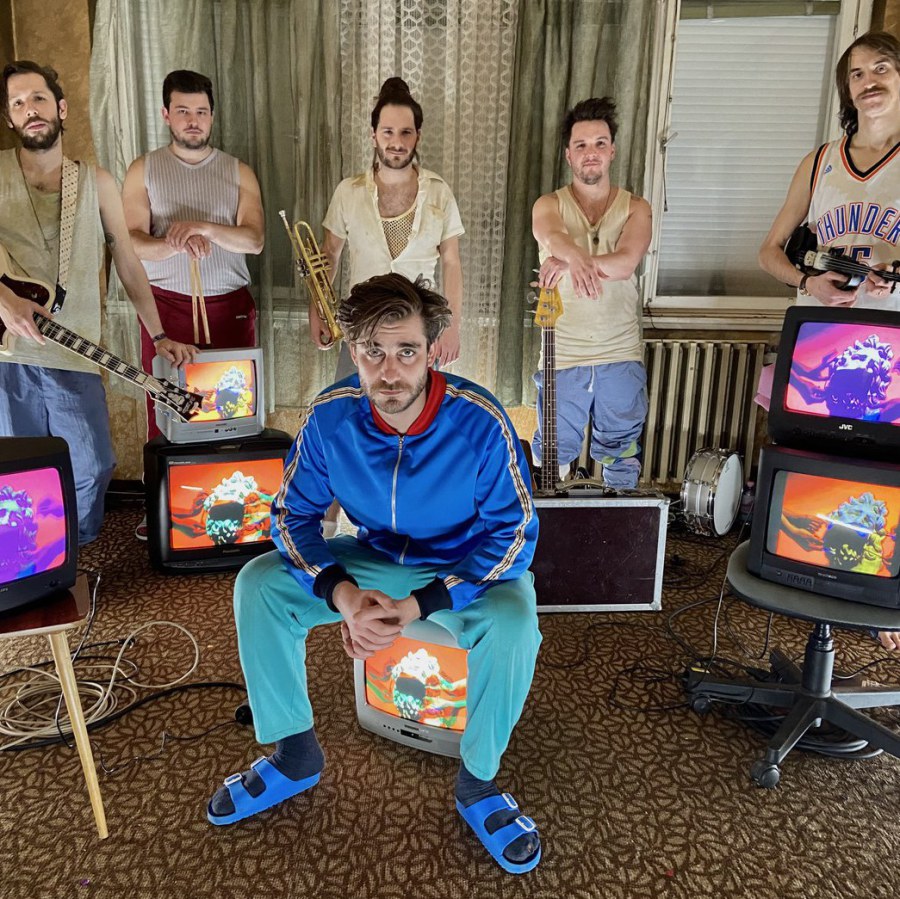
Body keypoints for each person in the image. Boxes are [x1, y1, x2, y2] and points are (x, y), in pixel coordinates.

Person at [207, 273, 543, 875]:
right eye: (373, 352)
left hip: (464, 566)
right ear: (353, 351)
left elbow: (514, 534)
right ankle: (295, 754)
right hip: (374, 557)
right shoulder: (330, 417)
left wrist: (420, 605)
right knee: (258, 584)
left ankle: (478, 783)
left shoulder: (481, 422)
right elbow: (290, 517)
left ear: (432, 350)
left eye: (406, 351)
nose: (390, 373)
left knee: (516, 623)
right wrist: (343, 595)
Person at [0, 61, 195, 545]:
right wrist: (5, 300)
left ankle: (72, 550)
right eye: (18, 103)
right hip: (8, 355)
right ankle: (34, 561)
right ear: (10, 118)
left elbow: (127, 262)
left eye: (39, 98)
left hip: (75, 351)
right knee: (20, 476)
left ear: (61, 108)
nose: (30, 110)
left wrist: (159, 334)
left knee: (92, 466)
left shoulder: (97, 183)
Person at [758, 31, 900, 652]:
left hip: (891, 345)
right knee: (814, 458)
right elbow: (769, 252)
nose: (869, 81)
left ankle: (881, 594)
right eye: (857, 73)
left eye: (882, 68)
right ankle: (804, 575)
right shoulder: (820, 162)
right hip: (822, 338)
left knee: (885, 467)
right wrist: (806, 279)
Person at [122, 69, 265, 443]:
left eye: (201, 112)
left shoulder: (239, 171)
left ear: (212, 116)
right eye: (183, 111)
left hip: (229, 307)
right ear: (166, 114)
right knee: (168, 412)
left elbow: (254, 240)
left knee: (234, 409)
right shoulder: (143, 170)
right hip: (165, 307)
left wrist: (203, 228)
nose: (193, 121)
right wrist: (176, 242)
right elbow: (129, 242)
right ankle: (166, 480)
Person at [531, 97, 652, 489]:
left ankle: (621, 522)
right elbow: (551, 235)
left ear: (612, 150)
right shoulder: (548, 204)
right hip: (563, 354)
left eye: (600, 143)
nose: (591, 152)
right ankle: (550, 522)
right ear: (569, 154)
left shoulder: (637, 208)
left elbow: (626, 262)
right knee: (553, 454)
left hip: (620, 352)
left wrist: (569, 262)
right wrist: (576, 256)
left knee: (621, 450)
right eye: (581, 145)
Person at [319, 77, 464, 376]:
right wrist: (316, 312)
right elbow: (329, 255)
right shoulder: (348, 192)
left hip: (419, 332)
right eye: (388, 132)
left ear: (418, 136)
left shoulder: (439, 192)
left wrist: (452, 327)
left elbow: (452, 262)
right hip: (361, 330)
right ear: (373, 135)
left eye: (406, 132)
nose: (397, 142)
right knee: (352, 403)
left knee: (420, 405)